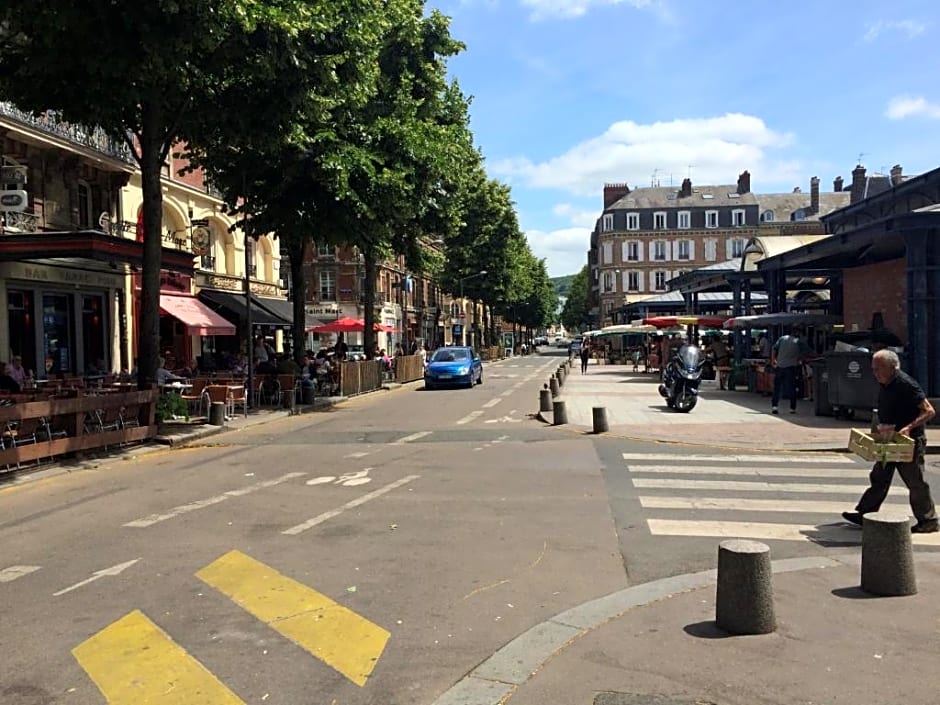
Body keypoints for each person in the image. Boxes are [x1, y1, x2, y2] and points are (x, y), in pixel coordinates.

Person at [843, 349, 938, 534]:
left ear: (892, 367)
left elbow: (929, 411)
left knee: (915, 481)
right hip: (889, 439)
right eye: (873, 368)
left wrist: (909, 427)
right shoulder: (886, 383)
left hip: (907, 442)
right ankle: (865, 513)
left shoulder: (906, 384)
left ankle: (928, 520)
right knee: (879, 477)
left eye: (879, 368)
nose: (875, 373)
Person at [770, 328, 811, 414]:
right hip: (791, 367)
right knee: (792, 388)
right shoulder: (798, 341)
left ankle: (774, 407)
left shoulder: (782, 338)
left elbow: (774, 349)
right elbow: (806, 353)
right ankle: (792, 408)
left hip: (780, 366)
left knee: (777, 388)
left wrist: (773, 360)